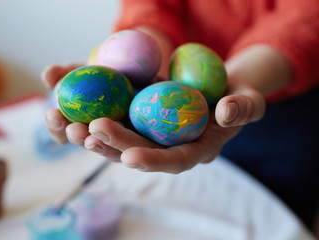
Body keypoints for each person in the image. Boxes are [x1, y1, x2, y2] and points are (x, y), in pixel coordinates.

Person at [41, 0, 319, 230]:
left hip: (283, 111)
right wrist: (147, 44)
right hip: (171, 84)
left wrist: (236, 76)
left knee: (275, 222)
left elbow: (307, 15)